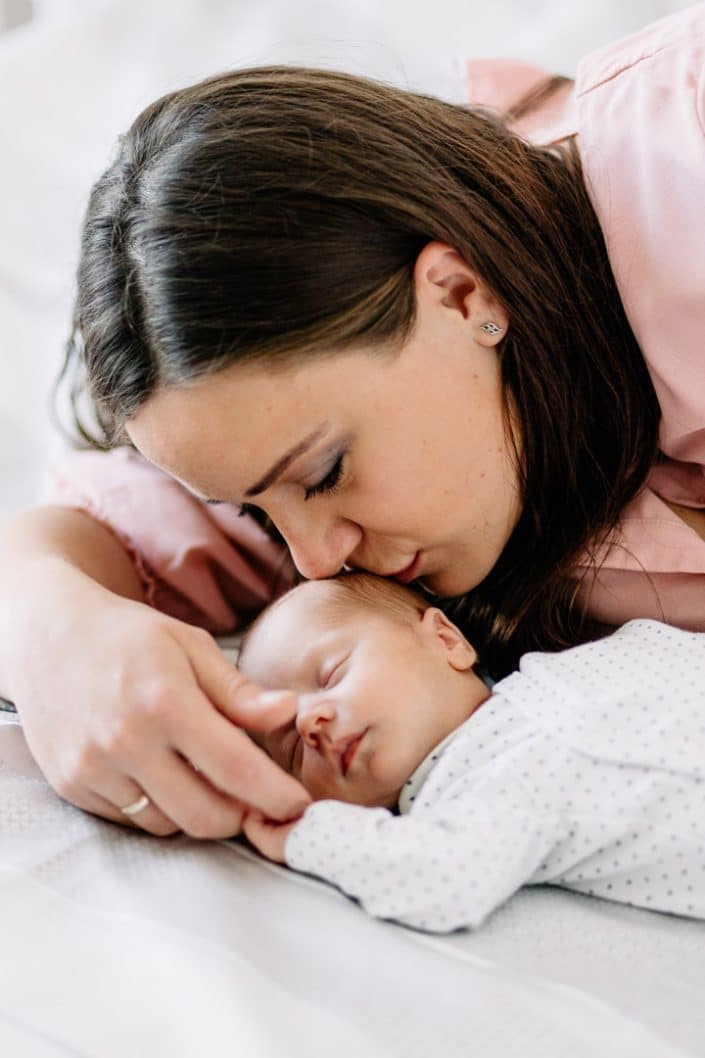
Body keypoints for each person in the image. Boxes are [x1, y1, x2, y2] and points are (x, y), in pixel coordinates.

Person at [0, 6, 704, 840]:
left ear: (459, 295)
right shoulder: (285, 443)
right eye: (257, 512)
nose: (314, 560)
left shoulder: (681, 159)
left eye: (325, 472)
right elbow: (72, 540)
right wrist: (56, 636)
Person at [236, 572, 705, 934]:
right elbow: (444, 878)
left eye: (333, 673)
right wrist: (305, 834)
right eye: (292, 748)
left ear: (446, 640)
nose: (308, 723)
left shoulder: (564, 663)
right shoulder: (469, 796)